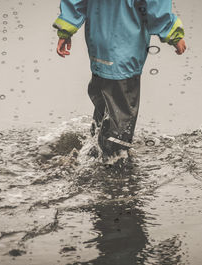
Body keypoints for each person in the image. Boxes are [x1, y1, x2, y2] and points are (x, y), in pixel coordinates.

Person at [53, 0, 186, 160]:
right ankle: (113, 167)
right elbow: (155, 7)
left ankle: (93, 156)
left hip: (98, 47)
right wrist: (174, 34)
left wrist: (66, 29)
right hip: (124, 50)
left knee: (104, 110)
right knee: (121, 118)